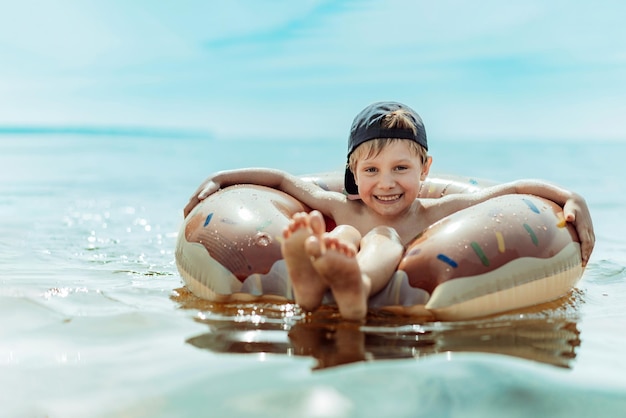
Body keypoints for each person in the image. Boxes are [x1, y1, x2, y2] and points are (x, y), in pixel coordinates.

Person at [183, 101, 595, 320]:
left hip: (376, 261)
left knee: (381, 237)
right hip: (338, 248)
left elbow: (512, 191)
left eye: (401, 168)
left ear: (425, 169)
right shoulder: (342, 206)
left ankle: (353, 284)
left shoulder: (435, 211)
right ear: (354, 173)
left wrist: (570, 197)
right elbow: (283, 181)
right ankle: (310, 283)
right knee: (342, 236)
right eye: (372, 170)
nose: (386, 183)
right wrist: (221, 178)